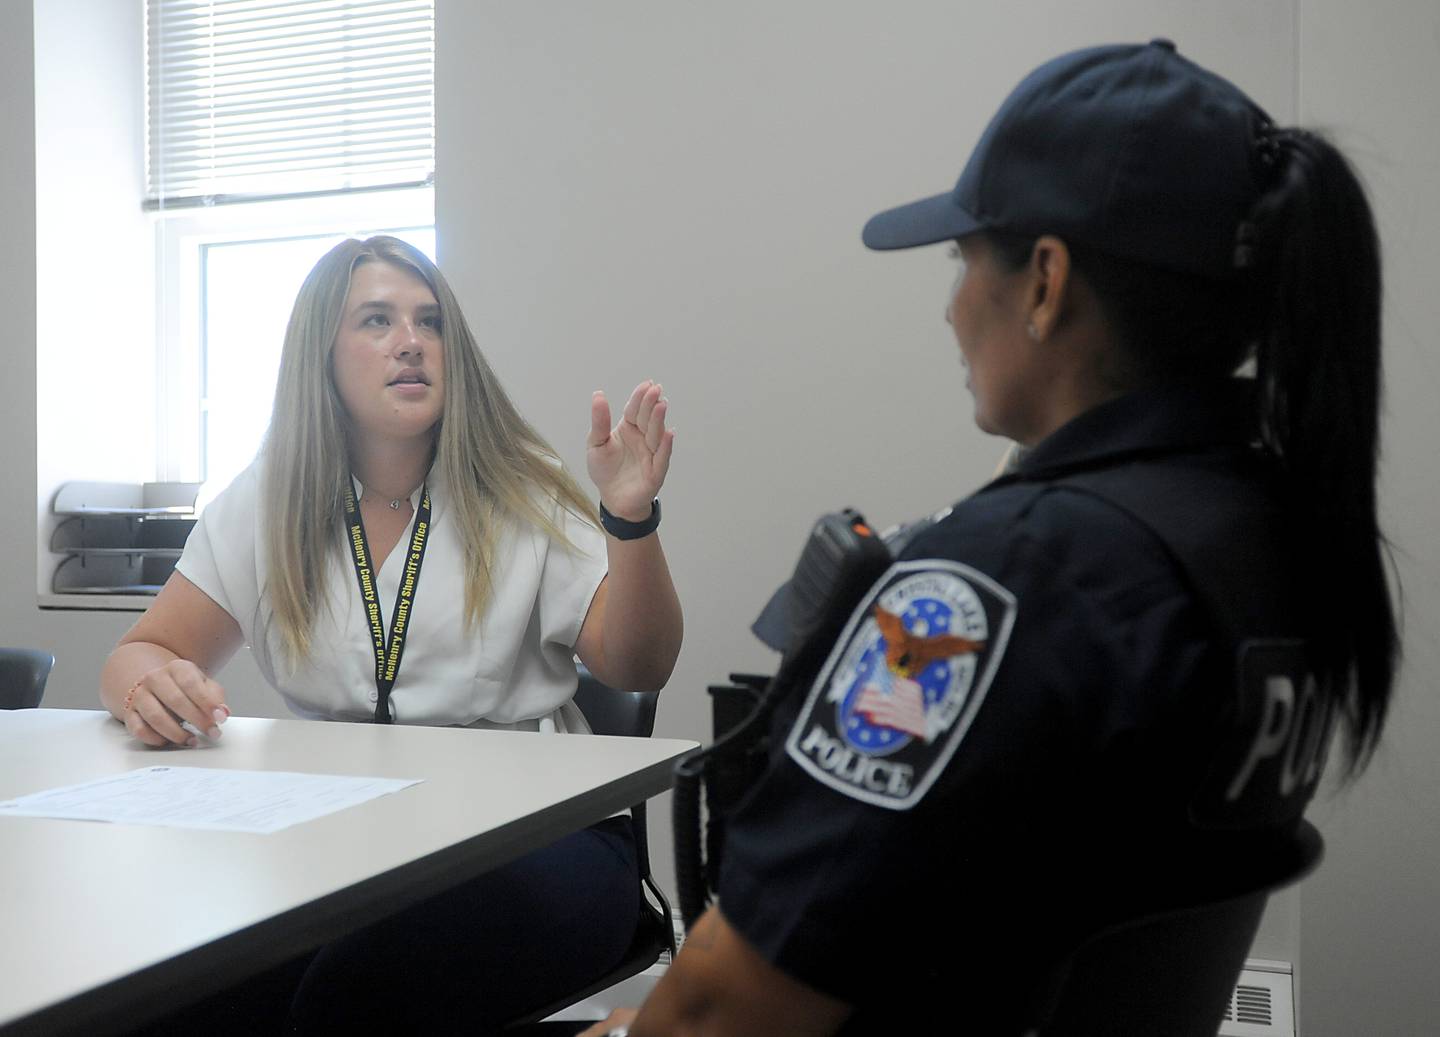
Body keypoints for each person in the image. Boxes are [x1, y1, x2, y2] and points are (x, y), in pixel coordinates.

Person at [582, 38, 1398, 1036]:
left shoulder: (993, 584)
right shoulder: (1274, 531)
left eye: (966, 258)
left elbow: (721, 1008)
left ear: (1046, 281)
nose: (953, 305)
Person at [99, 235, 683, 1034]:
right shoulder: (270, 499)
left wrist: (630, 518)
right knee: (175, 991)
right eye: (376, 320)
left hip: (537, 842)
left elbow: (641, 659)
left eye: (430, 322)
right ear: (323, 357)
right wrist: (147, 683)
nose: (411, 340)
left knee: (355, 993)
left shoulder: (519, 489)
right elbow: (145, 647)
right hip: (344, 844)